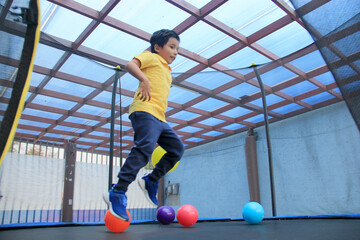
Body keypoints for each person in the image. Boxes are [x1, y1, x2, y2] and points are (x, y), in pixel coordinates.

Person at [104, 29, 185, 221]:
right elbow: (130, 65)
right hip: (144, 110)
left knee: (177, 149)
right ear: (157, 47)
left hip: (160, 118)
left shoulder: (167, 70)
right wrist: (144, 78)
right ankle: (118, 191)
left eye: (177, 49)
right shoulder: (151, 57)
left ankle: (151, 179)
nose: (175, 52)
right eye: (171, 47)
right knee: (145, 146)